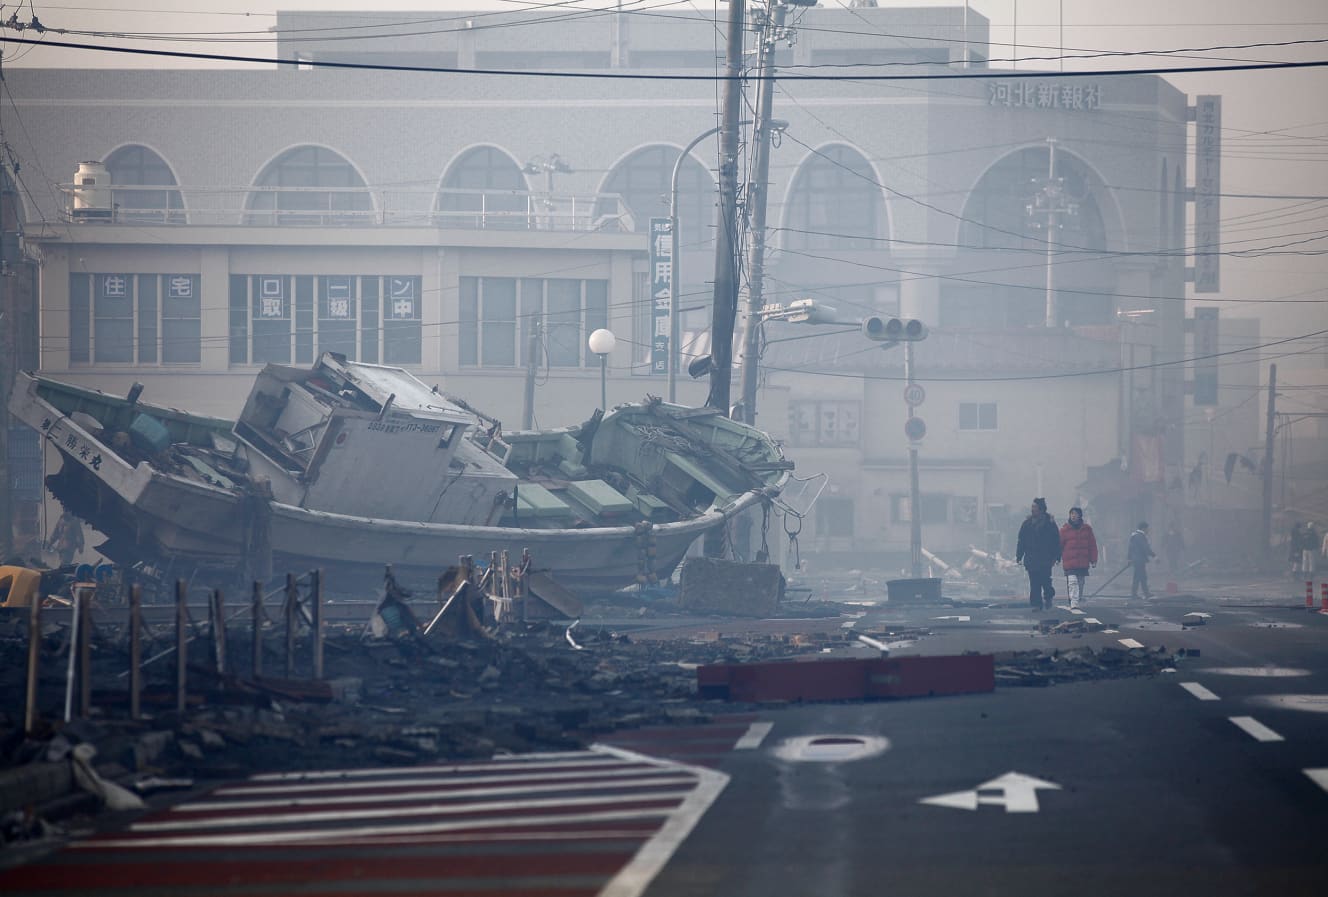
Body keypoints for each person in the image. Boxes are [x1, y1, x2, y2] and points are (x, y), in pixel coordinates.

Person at [1016, 497, 1061, 612]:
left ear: (1041, 509)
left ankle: (1048, 597)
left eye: (1034, 507)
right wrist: (1019, 556)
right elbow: (1021, 541)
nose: (1032, 509)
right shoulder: (1027, 524)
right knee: (1034, 582)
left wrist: (1057, 556)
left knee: (1045, 580)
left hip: (1046, 558)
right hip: (1031, 557)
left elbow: (1056, 541)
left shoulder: (1049, 524)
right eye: (1032, 507)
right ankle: (1036, 604)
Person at [1059, 507, 1098, 610]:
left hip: (1083, 561)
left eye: (1075, 513)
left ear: (1080, 515)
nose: (1073, 515)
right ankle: (1074, 602)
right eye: (1071, 513)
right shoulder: (1064, 530)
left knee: (1081, 583)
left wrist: (1093, 559)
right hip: (1069, 562)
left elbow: (1092, 545)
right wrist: (1057, 558)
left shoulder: (1087, 529)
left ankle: (1078, 597)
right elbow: (1059, 545)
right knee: (1072, 582)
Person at [1128, 521, 1156, 599]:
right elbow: (1145, 548)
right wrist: (1154, 556)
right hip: (1139, 560)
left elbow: (1130, 548)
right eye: (1148, 529)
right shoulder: (1140, 536)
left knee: (1141, 577)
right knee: (1139, 577)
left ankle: (1144, 593)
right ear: (1144, 528)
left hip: (1136, 560)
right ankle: (1135, 594)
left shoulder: (1135, 536)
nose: (1148, 530)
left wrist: (1129, 558)